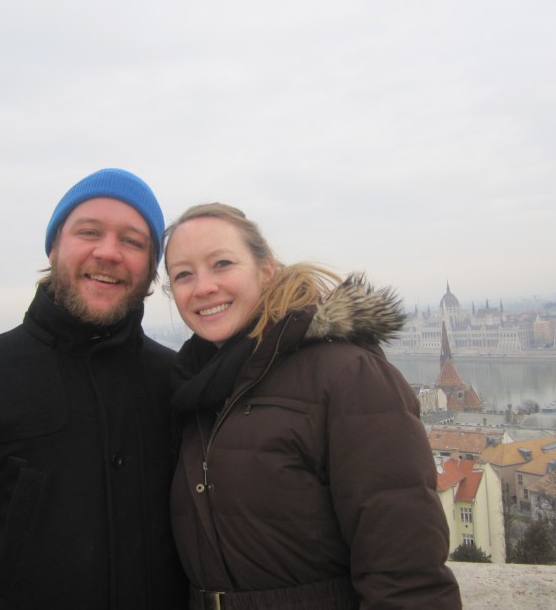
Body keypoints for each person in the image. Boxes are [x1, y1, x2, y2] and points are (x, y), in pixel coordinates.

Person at [0, 168, 187, 609]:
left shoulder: (176, 383)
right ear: (54, 245)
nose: (108, 252)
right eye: (89, 231)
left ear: (150, 268)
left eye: (133, 241)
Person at [163, 203, 462, 609]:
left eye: (221, 264)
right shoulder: (194, 389)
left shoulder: (346, 373)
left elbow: (406, 573)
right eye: (183, 274)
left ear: (266, 269)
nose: (202, 287)